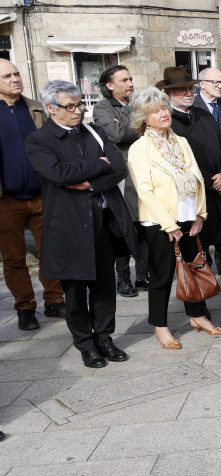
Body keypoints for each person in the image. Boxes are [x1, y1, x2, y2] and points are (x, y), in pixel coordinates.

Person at [25, 81, 138, 367]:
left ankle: (104, 337)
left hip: (102, 219)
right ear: (51, 109)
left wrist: (89, 181)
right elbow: (59, 173)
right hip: (68, 224)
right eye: (70, 106)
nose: (78, 111)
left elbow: (119, 167)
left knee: (104, 284)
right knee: (74, 289)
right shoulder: (38, 140)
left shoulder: (95, 132)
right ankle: (85, 344)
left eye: (80, 105)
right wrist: (99, 165)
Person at [127, 86, 221, 349]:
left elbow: (197, 180)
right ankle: (160, 326)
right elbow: (145, 191)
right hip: (160, 221)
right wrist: (168, 225)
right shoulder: (140, 148)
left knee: (193, 268)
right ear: (143, 118)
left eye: (163, 108)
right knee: (162, 275)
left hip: (188, 216)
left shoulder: (180, 141)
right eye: (154, 111)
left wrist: (200, 215)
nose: (163, 114)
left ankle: (197, 316)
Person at [159, 66, 221, 304]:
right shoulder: (166, 122)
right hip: (195, 200)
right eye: (180, 90)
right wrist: (211, 181)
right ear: (169, 94)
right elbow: (175, 165)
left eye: (189, 88)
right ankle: (199, 305)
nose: (187, 93)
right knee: (196, 252)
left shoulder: (204, 114)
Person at [0, 59, 65, 330]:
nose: (15, 79)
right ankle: (25, 307)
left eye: (16, 73)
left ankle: (54, 300)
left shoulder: (36, 109)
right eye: (7, 76)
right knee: (14, 258)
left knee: (50, 251)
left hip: (42, 194)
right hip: (6, 200)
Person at [93, 64, 148, 297]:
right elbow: (116, 134)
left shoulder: (136, 104)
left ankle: (144, 274)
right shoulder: (103, 107)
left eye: (131, 79)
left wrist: (130, 125)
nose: (130, 84)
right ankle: (123, 278)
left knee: (145, 224)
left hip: (145, 171)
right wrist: (142, 125)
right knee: (123, 227)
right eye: (124, 80)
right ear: (109, 85)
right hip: (122, 175)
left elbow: (153, 126)